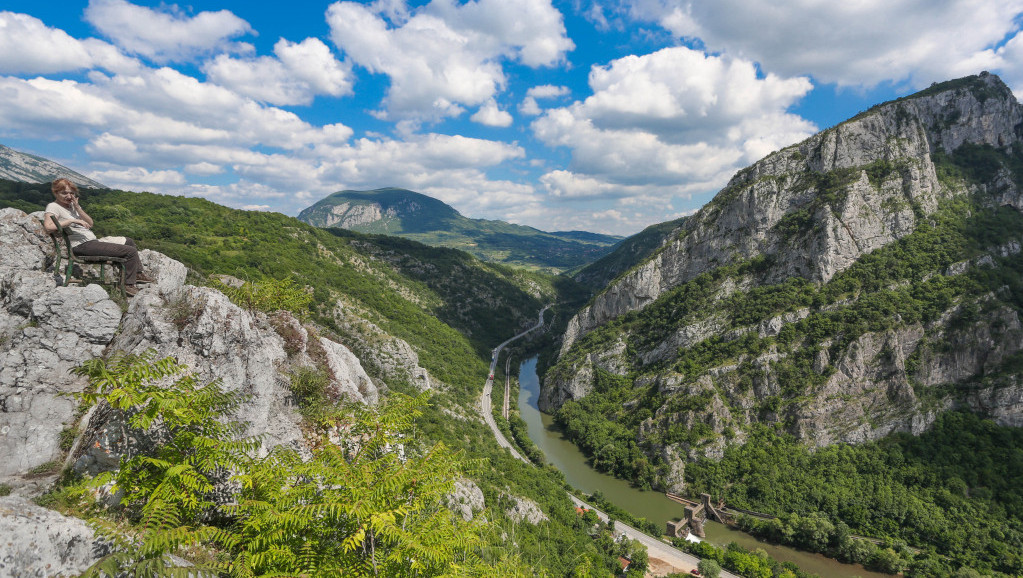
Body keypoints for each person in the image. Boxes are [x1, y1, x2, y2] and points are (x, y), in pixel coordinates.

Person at [43, 178, 154, 296]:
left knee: (128, 241)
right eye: (64, 193)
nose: (69, 196)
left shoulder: (72, 207)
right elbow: (48, 227)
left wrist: (78, 208)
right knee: (130, 252)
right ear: (56, 193)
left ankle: (137, 274)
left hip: (91, 242)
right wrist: (72, 221)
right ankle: (127, 285)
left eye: (71, 193)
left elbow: (90, 223)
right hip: (81, 246)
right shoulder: (53, 206)